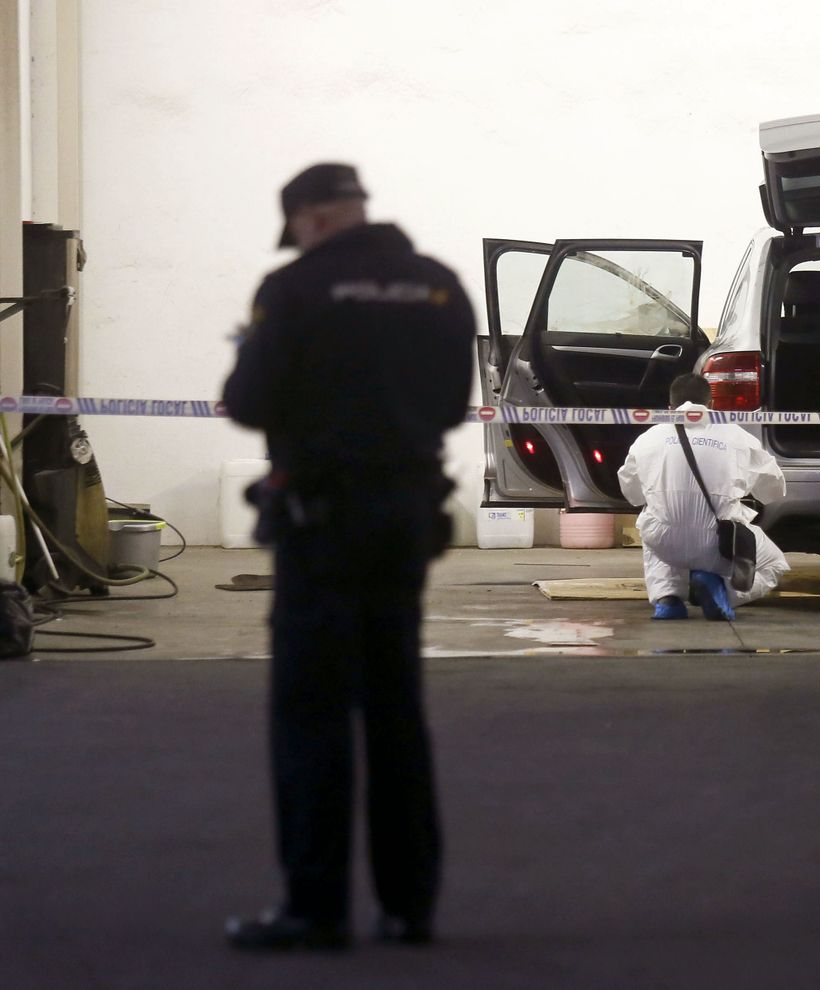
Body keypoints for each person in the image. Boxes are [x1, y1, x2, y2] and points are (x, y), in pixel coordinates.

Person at [221, 163, 475, 950]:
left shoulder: (293, 289)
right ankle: (410, 907)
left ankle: (315, 907)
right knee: (396, 709)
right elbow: (447, 405)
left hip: (321, 522)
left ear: (312, 218)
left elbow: (250, 403)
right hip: (405, 517)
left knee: (312, 714)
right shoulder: (439, 287)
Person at [617, 373, 788, 621]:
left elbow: (631, 494)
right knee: (775, 565)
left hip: (666, 543)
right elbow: (773, 489)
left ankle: (668, 600)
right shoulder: (736, 436)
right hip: (719, 544)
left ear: (669, 408)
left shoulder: (647, 439)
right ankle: (721, 592)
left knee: (653, 518)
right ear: (711, 406)